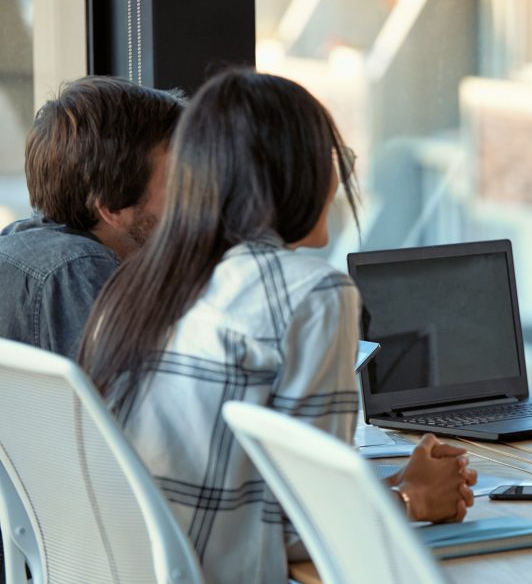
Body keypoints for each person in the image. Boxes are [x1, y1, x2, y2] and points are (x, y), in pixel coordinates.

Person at [76, 69, 477, 583]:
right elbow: (309, 525)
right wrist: (410, 499)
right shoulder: (312, 293)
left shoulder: (137, 286)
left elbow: (257, 505)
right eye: (336, 160)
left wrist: (390, 484)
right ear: (293, 172)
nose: (340, 180)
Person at [0, 76, 184, 357]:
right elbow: (129, 396)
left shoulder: (16, 242)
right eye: (177, 180)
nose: (195, 194)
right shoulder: (80, 271)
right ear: (112, 207)